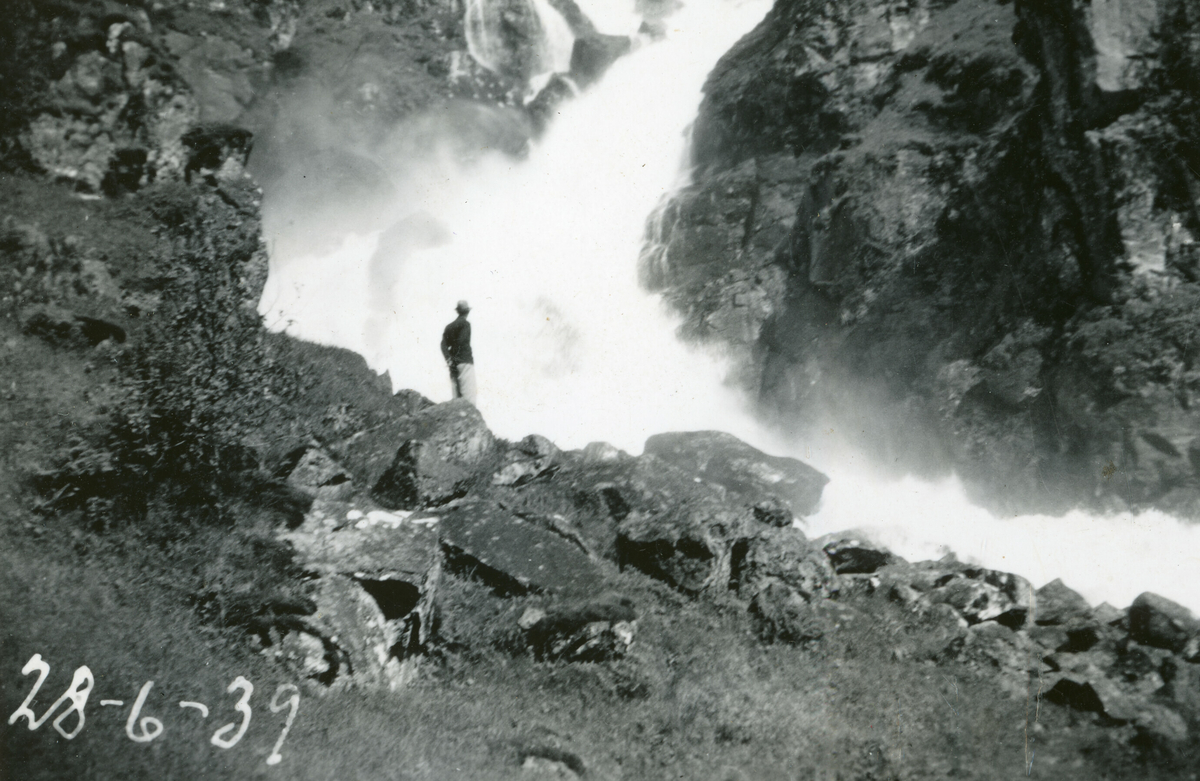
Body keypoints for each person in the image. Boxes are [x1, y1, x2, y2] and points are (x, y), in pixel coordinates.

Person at [441, 300, 476, 404]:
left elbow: (443, 344)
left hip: (453, 365)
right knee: (469, 400)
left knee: (456, 399)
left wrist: (449, 359)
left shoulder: (449, 327)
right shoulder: (466, 324)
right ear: (467, 312)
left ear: (458, 311)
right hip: (465, 362)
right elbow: (462, 341)